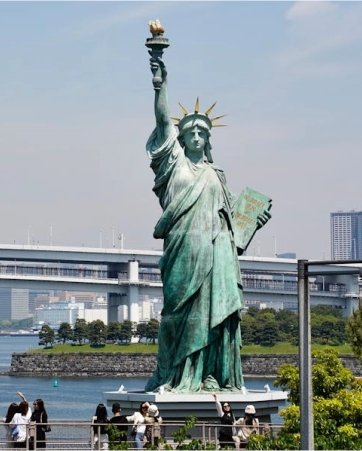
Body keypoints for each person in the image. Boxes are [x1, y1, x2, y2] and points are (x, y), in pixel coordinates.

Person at [143, 36, 270, 394]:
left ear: (209, 137)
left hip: (216, 255)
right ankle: (173, 375)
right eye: (190, 130)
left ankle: (211, 375)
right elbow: (161, 119)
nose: (196, 134)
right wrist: (160, 81)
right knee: (176, 316)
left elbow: (232, 224)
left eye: (202, 130)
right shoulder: (172, 163)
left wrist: (249, 224)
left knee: (215, 315)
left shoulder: (218, 175)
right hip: (182, 250)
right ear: (179, 138)